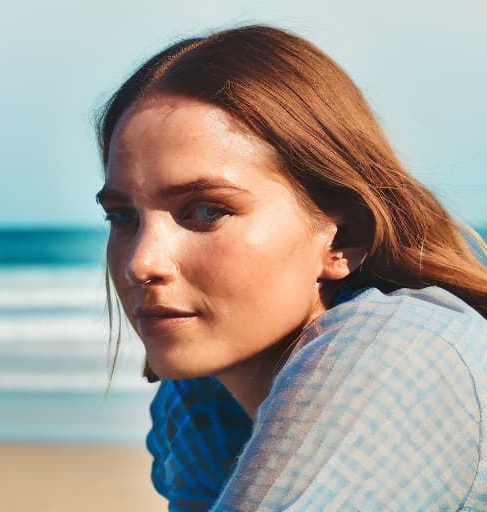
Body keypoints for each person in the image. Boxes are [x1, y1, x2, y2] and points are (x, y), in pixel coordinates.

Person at [95, 25, 487, 511]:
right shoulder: (199, 399)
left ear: (343, 237)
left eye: (207, 210)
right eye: (122, 216)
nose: (140, 262)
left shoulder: (393, 353)